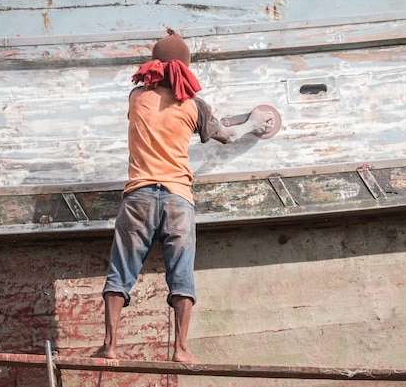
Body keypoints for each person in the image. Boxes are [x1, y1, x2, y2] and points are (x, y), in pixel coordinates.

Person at [92, 29, 274, 363]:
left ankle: (110, 347)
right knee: (181, 276)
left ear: (154, 65)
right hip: (177, 200)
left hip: (138, 198)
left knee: (120, 272)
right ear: (186, 67)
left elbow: (157, 104)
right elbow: (228, 135)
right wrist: (254, 122)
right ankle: (181, 349)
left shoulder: (136, 98)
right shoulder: (195, 107)